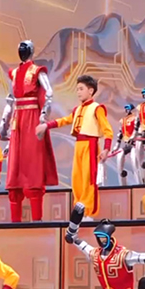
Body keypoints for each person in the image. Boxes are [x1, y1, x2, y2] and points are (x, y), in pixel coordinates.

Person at [38, 75, 113, 222]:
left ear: (90, 91)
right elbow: (65, 120)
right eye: (77, 89)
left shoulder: (97, 108)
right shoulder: (77, 109)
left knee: (88, 179)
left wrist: (106, 149)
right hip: (79, 145)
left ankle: (88, 211)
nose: (78, 92)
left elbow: (107, 130)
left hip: (90, 145)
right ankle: (79, 211)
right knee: (77, 179)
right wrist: (47, 125)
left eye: (81, 89)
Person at [0, 40, 59, 222]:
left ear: (31, 51)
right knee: (15, 167)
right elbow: (10, 99)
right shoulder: (14, 73)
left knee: (33, 165)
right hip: (18, 119)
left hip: (32, 117)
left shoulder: (37, 71)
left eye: (25, 49)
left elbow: (49, 94)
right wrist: (4, 124)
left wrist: (43, 117)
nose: (22, 51)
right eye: (20, 49)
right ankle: (15, 222)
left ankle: (37, 221)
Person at [112, 104, 139, 186]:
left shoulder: (135, 118)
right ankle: (122, 184)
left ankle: (139, 183)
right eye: (126, 108)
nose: (127, 110)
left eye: (128, 108)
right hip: (127, 144)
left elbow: (136, 129)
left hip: (135, 143)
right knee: (119, 159)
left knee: (134, 162)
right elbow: (120, 135)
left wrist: (133, 137)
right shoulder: (122, 121)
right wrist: (116, 147)